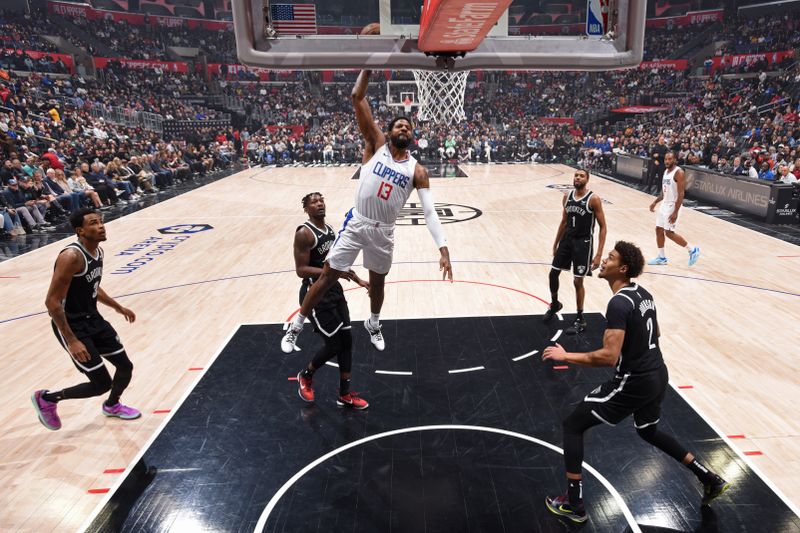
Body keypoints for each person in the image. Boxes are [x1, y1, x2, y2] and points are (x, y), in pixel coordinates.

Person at [280, 28, 453, 354]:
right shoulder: (375, 145)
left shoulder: (418, 170)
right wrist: (371, 59)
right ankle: (297, 324)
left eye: (408, 126)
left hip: (384, 231)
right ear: (388, 131)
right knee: (329, 275)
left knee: (378, 283)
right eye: (398, 125)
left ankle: (373, 322)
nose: (404, 127)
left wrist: (442, 248)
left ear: (412, 136)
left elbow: (429, 212)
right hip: (357, 222)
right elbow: (356, 98)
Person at [542, 241, 730, 523]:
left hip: (635, 381)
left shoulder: (618, 302)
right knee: (648, 431)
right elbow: (655, 334)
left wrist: (566, 355)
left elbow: (608, 356)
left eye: (611, 257)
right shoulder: (643, 294)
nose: (604, 260)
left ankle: (574, 504)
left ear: (623, 268)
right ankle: (709, 477)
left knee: (573, 424)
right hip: (658, 374)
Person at [31, 208, 140, 431]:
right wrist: (72, 340)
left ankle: (112, 406)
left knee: (125, 367)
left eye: (101, 221)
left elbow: (93, 286)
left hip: (94, 320)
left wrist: (118, 307)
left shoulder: (98, 251)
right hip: (72, 325)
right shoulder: (71, 257)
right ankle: (48, 398)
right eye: (93, 223)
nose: (100, 226)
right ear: (80, 231)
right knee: (101, 384)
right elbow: (52, 302)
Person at [293, 192, 370, 409]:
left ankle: (344, 394)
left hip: (334, 291)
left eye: (321, 200)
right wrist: (331, 273)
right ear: (306, 209)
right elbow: (301, 270)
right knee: (335, 344)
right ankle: (306, 375)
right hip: (315, 294)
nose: (319, 204)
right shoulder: (304, 233)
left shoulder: (330, 231)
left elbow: (338, 263)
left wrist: (358, 280)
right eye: (313, 202)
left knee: (347, 341)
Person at [542, 169, 607, 333]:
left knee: (577, 281)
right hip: (567, 240)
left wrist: (598, 254)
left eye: (581, 176)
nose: (577, 178)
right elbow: (563, 222)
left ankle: (580, 318)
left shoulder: (594, 199)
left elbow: (603, 227)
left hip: (583, 243)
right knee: (553, 273)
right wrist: (556, 242)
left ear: (587, 179)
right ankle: (555, 303)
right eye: (576, 175)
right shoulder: (567, 197)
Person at [648, 152, 700, 266]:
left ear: (675, 160)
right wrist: (655, 202)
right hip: (664, 204)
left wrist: (675, 212)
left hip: (673, 206)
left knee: (669, 233)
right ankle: (661, 257)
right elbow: (664, 191)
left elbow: (681, 194)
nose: (667, 161)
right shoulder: (666, 171)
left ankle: (692, 250)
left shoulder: (679, 173)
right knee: (658, 229)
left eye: (669, 159)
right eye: (666, 159)